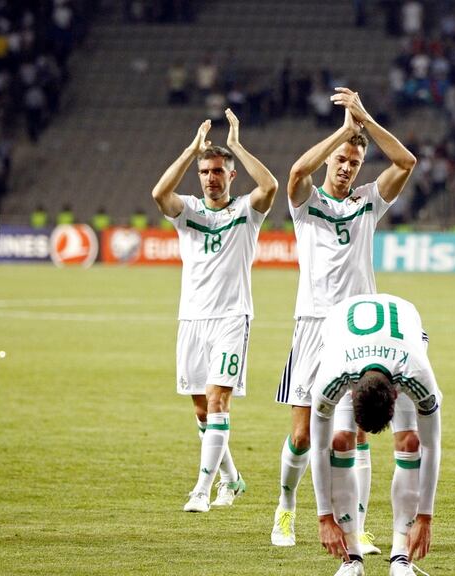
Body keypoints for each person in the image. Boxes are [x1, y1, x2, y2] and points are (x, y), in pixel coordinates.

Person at [273, 87, 416, 550]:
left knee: (355, 431)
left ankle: (356, 526)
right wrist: (341, 131)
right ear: (329, 160)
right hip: (313, 325)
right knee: (301, 433)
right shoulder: (305, 203)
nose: (346, 167)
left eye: (354, 162)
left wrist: (365, 120)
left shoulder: (369, 202)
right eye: (341, 159)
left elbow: (406, 163)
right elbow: (296, 172)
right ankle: (286, 507)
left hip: (359, 329)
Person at [150, 110, 278, 513]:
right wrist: (191, 150)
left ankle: (201, 490)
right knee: (203, 410)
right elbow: (159, 195)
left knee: (219, 402)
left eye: (219, 171)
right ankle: (231, 479)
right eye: (205, 171)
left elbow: (271, 185)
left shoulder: (247, 211)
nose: (211, 177)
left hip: (231, 318)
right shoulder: (188, 211)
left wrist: (237, 145)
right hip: (191, 318)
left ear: (231, 175)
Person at [310, 293, 441, 576]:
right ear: (350, 391)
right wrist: (324, 518)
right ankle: (351, 559)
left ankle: (401, 559)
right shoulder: (333, 375)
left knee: (410, 441)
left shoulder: (416, 374)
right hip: (341, 340)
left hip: (405, 341)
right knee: (340, 439)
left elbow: (432, 446)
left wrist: (425, 517)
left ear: (397, 394)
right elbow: (319, 448)